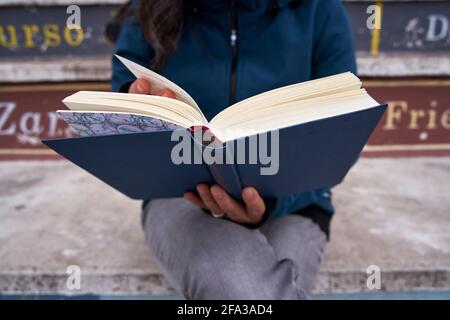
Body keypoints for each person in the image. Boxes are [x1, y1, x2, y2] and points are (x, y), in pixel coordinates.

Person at [112, 0, 356, 299]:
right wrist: (136, 105)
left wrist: (270, 207)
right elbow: (121, 106)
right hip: (178, 195)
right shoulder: (148, 9)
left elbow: (339, 136)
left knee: (250, 292)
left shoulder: (320, 10)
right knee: (242, 288)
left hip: (295, 204)